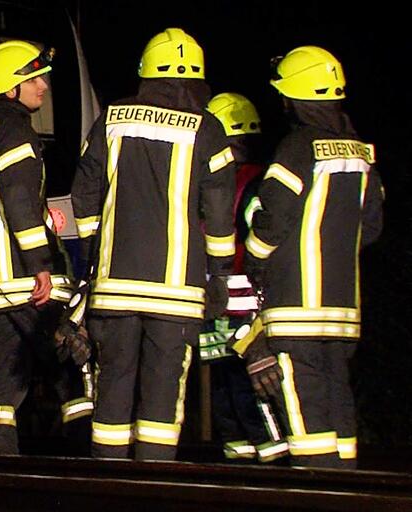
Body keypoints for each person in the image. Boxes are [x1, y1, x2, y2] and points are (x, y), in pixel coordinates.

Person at [71, 28, 237, 461]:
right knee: (163, 403)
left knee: (113, 393)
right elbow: (219, 214)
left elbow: (84, 195)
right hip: (178, 295)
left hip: (114, 288)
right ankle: (153, 491)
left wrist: (94, 248)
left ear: (145, 73)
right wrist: (219, 276)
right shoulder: (209, 130)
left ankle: (107, 491)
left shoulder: (112, 119)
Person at [241, 46, 383, 469]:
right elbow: (371, 228)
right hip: (342, 312)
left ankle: (318, 497)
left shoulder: (297, 147)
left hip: (295, 310)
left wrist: (255, 258)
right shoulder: (362, 153)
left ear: (294, 98)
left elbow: (272, 217)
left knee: (305, 418)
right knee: (339, 404)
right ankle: (349, 498)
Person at [0, 40, 90, 455]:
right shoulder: (17, 130)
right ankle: (88, 463)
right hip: (26, 280)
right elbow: (20, 201)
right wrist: (41, 263)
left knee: (2, 382)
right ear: (10, 88)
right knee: (72, 365)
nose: (43, 86)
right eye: (33, 78)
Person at [199, 93, 288, 463]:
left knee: (252, 396)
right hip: (221, 310)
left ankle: (277, 476)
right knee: (227, 401)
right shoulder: (219, 184)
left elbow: (263, 245)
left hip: (246, 313)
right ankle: (240, 480)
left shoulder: (252, 185)